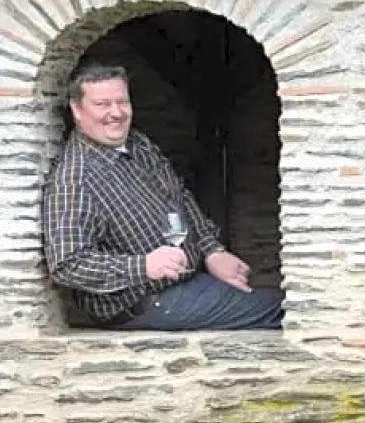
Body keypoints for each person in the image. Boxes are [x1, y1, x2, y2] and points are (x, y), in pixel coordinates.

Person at [41, 62, 283, 330]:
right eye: (102, 104)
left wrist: (212, 251)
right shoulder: (75, 178)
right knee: (280, 312)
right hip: (140, 303)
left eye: (123, 102)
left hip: (185, 281)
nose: (116, 113)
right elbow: (68, 263)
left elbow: (179, 199)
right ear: (77, 110)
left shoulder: (138, 144)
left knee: (282, 302)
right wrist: (142, 266)